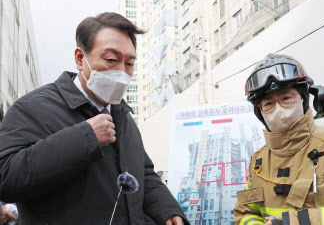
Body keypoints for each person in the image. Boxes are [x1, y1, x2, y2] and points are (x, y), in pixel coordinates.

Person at [0, 12, 188, 225]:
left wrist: (168, 210)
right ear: (81, 58)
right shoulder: (34, 108)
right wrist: (85, 137)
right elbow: (6, 177)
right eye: (111, 60)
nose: (121, 72)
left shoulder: (123, 117)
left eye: (129, 64)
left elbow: (142, 173)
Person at [234, 54, 324, 225]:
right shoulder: (258, 161)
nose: (278, 110)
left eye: (286, 98)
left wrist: (292, 222)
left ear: (303, 99)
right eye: (268, 104)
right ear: (260, 112)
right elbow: (243, 215)